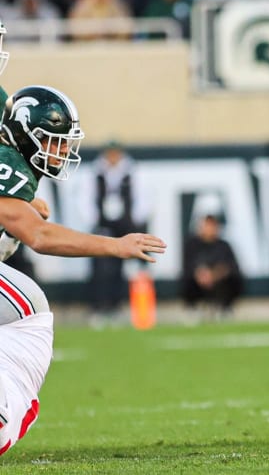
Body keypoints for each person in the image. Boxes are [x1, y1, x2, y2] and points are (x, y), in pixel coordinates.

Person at [0, 84, 166, 456]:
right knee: (28, 310)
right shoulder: (8, 166)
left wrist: (27, 205)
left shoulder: (11, 149)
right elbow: (39, 235)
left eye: (64, 142)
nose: (61, 151)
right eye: (52, 141)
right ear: (26, 138)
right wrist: (115, 245)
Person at [78, 141, 152, 321]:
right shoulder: (95, 173)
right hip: (103, 226)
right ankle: (98, 306)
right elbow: (84, 200)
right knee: (100, 267)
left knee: (123, 268)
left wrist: (133, 221)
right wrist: (96, 221)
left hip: (125, 227)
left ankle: (117, 306)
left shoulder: (132, 172)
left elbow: (144, 199)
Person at [181, 213, 244, 318]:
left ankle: (224, 308)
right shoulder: (192, 245)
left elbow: (231, 266)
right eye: (207, 226)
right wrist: (200, 274)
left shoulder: (224, 246)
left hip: (219, 283)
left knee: (233, 279)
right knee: (187, 280)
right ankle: (193, 308)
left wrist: (214, 275)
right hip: (197, 283)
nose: (209, 229)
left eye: (212, 226)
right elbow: (188, 266)